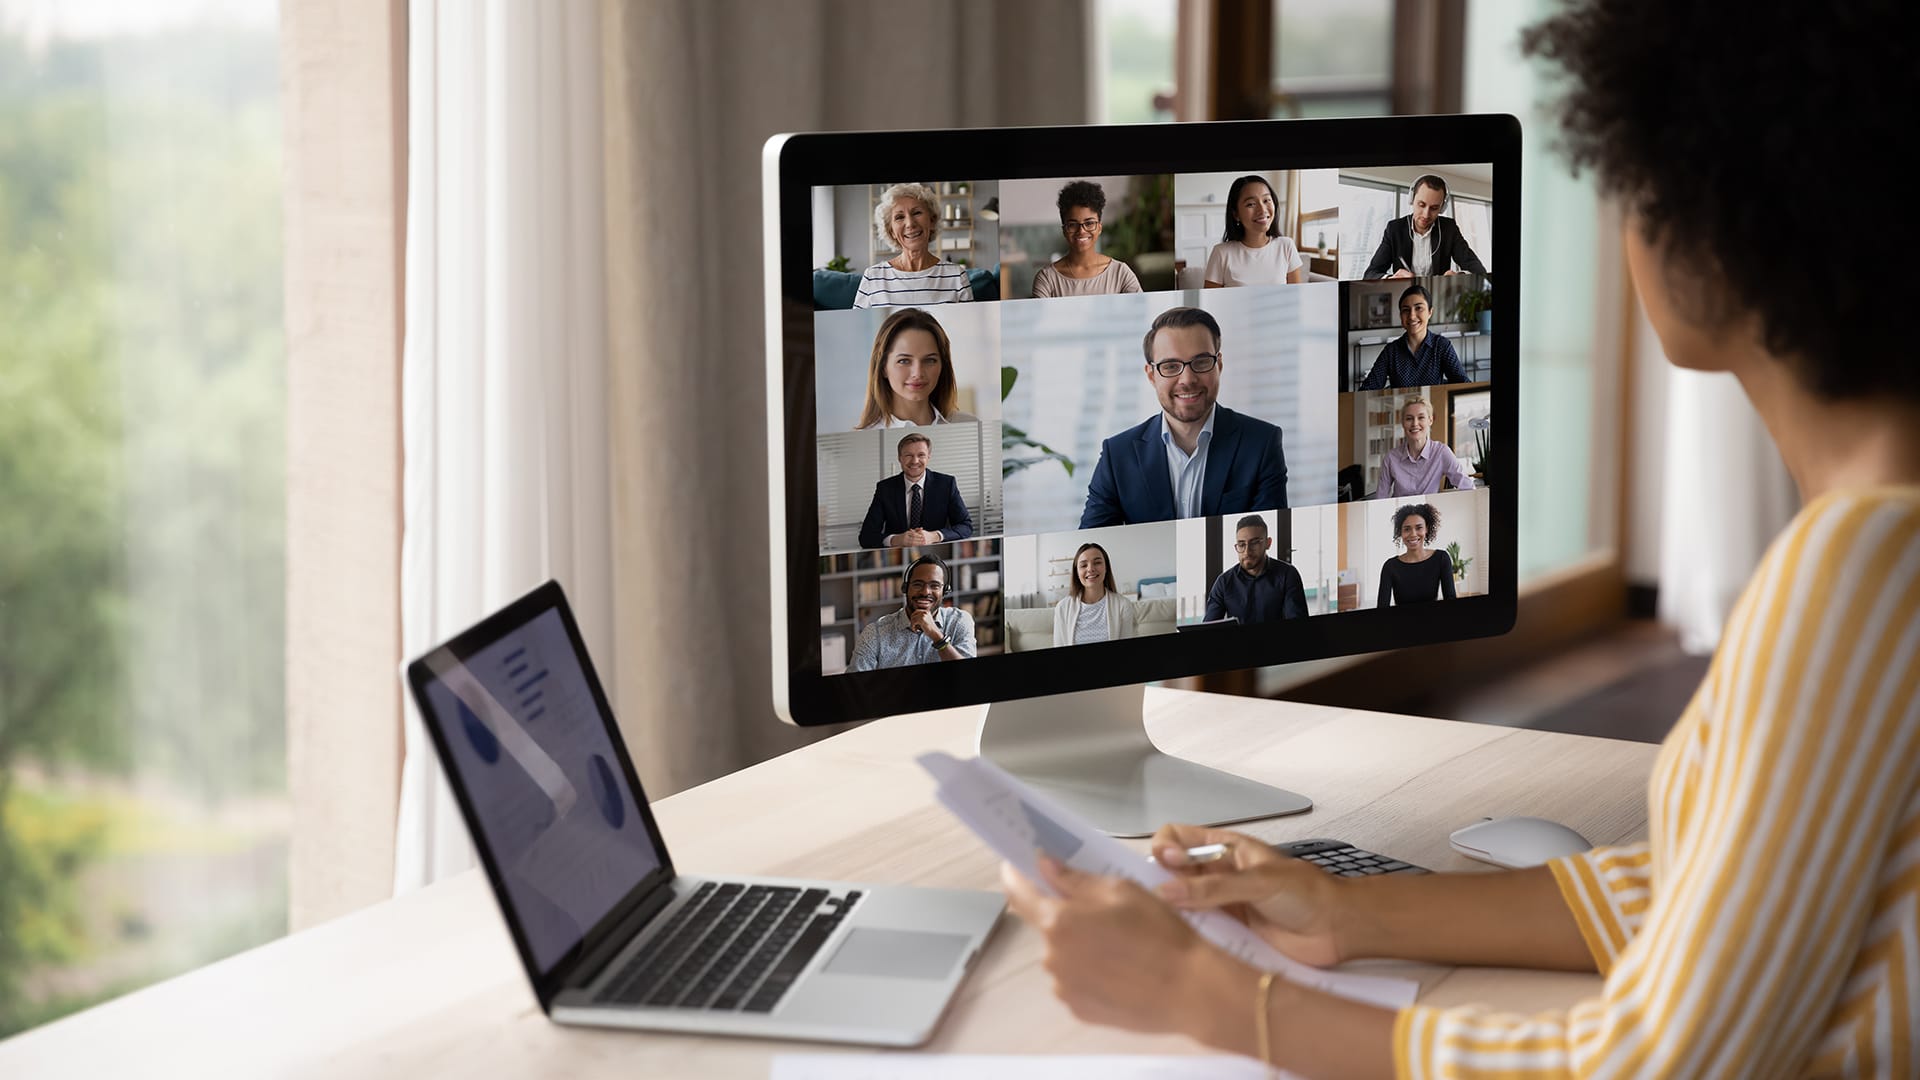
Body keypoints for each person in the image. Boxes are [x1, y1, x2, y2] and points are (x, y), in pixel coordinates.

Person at [998, 2, 1920, 1075]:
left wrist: (1212, 998)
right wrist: (1347, 911)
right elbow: (1718, 890)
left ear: (1713, 234)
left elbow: (1656, 1064)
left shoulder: (1859, 567)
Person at [1079, 307, 1288, 528]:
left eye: (1201, 362)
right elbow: (1092, 540)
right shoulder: (1118, 455)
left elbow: (1267, 531)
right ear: (1151, 375)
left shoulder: (1262, 442)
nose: (1187, 379)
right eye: (1170, 366)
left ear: (1219, 364)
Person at [855, 308, 980, 429]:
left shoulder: (971, 425)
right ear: (883, 367)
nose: (918, 373)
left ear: (943, 365)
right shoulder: (861, 440)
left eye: (930, 360)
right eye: (904, 361)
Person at [853, 182, 973, 308]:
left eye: (917, 213)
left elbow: (968, 326)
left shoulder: (957, 276)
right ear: (891, 231)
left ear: (932, 221)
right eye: (899, 217)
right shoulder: (872, 277)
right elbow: (857, 326)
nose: (910, 223)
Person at [847, 554, 976, 671]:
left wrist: (936, 635)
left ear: (945, 591)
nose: (925, 592)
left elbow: (967, 676)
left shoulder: (960, 621)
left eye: (934, 585)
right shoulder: (875, 634)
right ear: (905, 588)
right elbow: (853, 687)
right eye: (918, 584)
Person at [1360, 173, 1488, 280]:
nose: (1426, 215)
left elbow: (1478, 269)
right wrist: (1390, 279)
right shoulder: (1395, 229)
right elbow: (1370, 274)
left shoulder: (1449, 228)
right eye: (1421, 205)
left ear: (1442, 208)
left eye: (1434, 208)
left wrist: (1460, 275)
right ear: (1411, 200)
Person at [857, 433, 973, 549]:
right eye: (908, 455)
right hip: (899, 557)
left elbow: (965, 526)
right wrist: (896, 539)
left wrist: (934, 536)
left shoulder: (946, 484)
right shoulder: (885, 489)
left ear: (928, 457)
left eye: (921, 455)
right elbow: (866, 537)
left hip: (936, 553)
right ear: (900, 458)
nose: (915, 461)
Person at [1031, 180, 1143, 298]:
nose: (1082, 231)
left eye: (1089, 223)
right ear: (1064, 230)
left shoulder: (1120, 273)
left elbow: (1143, 312)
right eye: (1073, 224)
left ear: (1099, 228)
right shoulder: (1047, 279)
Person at [1357, 284, 1467, 389]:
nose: (1412, 316)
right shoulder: (1391, 351)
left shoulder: (1441, 346)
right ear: (1401, 316)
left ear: (1430, 312)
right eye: (1406, 310)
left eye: (1418, 308)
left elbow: (1463, 384)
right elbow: (1368, 388)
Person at [1203, 175, 1304, 287]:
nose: (1262, 209)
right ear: (1236, 214)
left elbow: (1296, 298)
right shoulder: (1221, 253)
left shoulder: (1286, 246)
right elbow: (1210, 303)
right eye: (1251, 204)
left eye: (1266, 200)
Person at [1203, 515, 1307, 623]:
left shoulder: (1287, 575)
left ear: (1268, 543)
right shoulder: (1224, 582)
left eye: (1254, 543)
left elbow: (1298, 626)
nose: (1247, 552)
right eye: (1241, 544)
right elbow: (1208, 629)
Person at [1377, 399, 1474, 497]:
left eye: (1421, 417)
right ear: (1403, 423)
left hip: (1429, 511)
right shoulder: (1391, 458)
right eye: (1409, 418)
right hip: (1399, 511)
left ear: (1430, 420)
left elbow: (1468, 488)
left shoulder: (1441, 452)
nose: (1415, 423)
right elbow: (1380, 498)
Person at [1051, 542, 1139, 646]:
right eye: (1083, 565)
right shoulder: (1062, 608)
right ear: (1077, 572)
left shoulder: (1123, 605)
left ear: (1106, 568)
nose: (1090, 569)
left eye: (1097, 563)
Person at [1376, 503, 1455, 605]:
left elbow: (1451, 601)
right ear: (1400, 532)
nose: (1413, 534)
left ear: (1427, 529)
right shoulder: (1390, 566)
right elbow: (1382, 608)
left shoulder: (1441, 558)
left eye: (1419, 528)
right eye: (1407, 529)